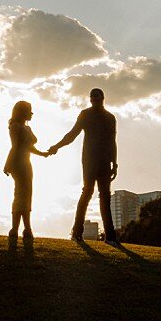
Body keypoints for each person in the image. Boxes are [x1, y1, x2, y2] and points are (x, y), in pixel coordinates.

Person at [46, 87, 118, 243]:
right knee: (87, 192)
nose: (95, 100)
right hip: (90, 160)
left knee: (105, 197)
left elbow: (112, 141)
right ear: (90, 99)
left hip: (104, 161)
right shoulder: (85, 115)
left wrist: (115, 163)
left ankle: (110, 236)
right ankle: (77, 233)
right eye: (92, 98)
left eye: (97, 98)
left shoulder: (110, 118)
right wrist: (56, 146)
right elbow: (72, 135)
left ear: (102, 98)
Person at [2, 100, 45, 247]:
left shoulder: (27, 128)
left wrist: (43, 154)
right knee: (21, 195)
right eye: (29, 110)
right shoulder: (15, 127)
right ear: (22, 112)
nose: (32, 113)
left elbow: (29, 147)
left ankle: (25, 229)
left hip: (27, 165)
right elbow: (15, 147)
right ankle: (17, 229)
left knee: (26, 195)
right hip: (18, 165)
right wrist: (7, 164)